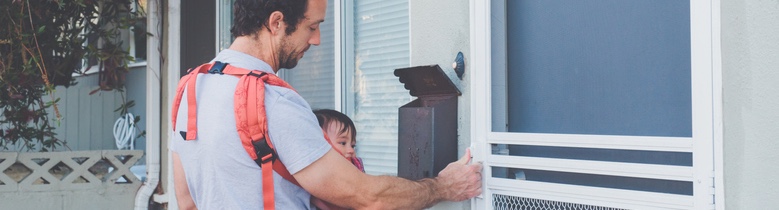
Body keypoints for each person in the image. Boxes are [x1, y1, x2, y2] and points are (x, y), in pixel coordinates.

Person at [171, 0, 482, 209]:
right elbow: (364, 195)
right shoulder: (273, 100)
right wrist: (442, 187)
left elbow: (186, 201)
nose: (317, 39)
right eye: (312, 26)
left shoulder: (190, 89)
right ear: (277, 22)